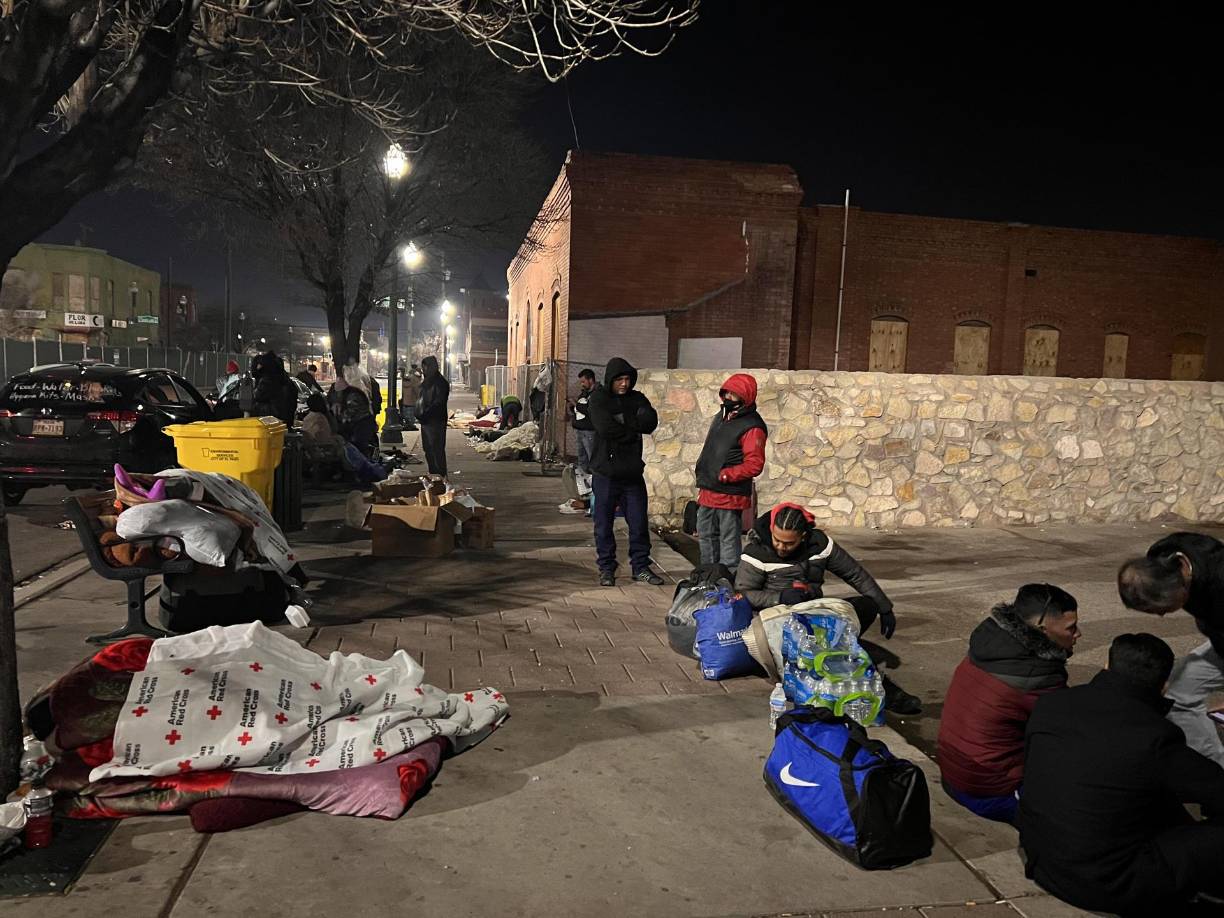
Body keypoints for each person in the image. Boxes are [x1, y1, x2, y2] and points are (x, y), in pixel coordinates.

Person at [1019, 633, 1224, 915]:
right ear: (1164, 686)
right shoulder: (1154, 736)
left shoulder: (1053, 704)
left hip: (1044, 860)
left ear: (1106, 666)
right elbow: (1216, 787)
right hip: (1105, 884)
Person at [736, 502, 921, 714]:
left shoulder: (820, 545)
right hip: (776, 622)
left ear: (804, 536)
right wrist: (779, 596)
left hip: (814, 611)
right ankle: (888, 693)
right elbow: (743, 594)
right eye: (777, 540)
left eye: (789, 543)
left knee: (866, 606)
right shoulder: (756, 552)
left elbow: (854, 574)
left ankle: (849, 657)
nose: (781, 547)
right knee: (836, 647)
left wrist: (884, 606)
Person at [937, 584, 1080, 824]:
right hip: (987, 791)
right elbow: (1067, 730)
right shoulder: (1035, 675)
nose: (1078, 634)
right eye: (1071, 628)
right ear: (1043, 629)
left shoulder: (991, 645)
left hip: (953, 773)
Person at [1118, 532, 1224, 766]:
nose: (1162, 615)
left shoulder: (1219, 579)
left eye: (1162, 608)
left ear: (1181, 588)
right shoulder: (1164, 555)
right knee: (1178, 696)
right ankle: (1217, 771)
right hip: (1219, 638)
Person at [586, 357, 663, 587]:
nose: (624, 384)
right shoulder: (599, 398)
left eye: (627, 379)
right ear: (610, 379)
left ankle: (640, 566)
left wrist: (624, 423)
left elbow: (650, 421)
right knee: (603, 524)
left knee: (638, 523)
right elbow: (605, 427)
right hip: (606, 473)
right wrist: (632, 427)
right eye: (619, 379)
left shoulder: (637, 398)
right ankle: (607, 567)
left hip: (631, 474)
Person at [693, 373, 767, 571]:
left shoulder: (753, 427)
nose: (728, 398)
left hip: (729, 493)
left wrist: (727, 475)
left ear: (744, 397)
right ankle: (707, 573)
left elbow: (755, 464)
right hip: (709, 488)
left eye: (733, 394)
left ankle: (729, 578)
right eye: (726, 393)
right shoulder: (722, 416)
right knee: (706, 534)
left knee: (728, 539)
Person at [416, 355, 450, 477]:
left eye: (425, 368)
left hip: (436, 421)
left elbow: (439, 403)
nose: (423, 370)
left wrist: (425, 414)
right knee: (428, 449)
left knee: (437, 450)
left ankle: (440, 476)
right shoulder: (427, 382)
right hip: (426, 421)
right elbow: (421, 399)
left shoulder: (440, 383)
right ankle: (434, 474)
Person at [249, 351, 298, 424]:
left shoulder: (268, 379)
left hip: (269, 420)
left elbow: (258, 396)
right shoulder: (284, 378)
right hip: (284, 420)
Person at [570, 368, 599, 474]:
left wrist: (576, 405)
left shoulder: (597, 394)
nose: (582, 384)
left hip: (589, 430)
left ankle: (594, 482)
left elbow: (590, 410)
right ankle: (583, 481)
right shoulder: (584, 393)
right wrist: (572, 407)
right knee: (582, 457)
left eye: (583, 381)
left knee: (591, 456)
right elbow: (579, 409)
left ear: (590, 380)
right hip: (580, 429)